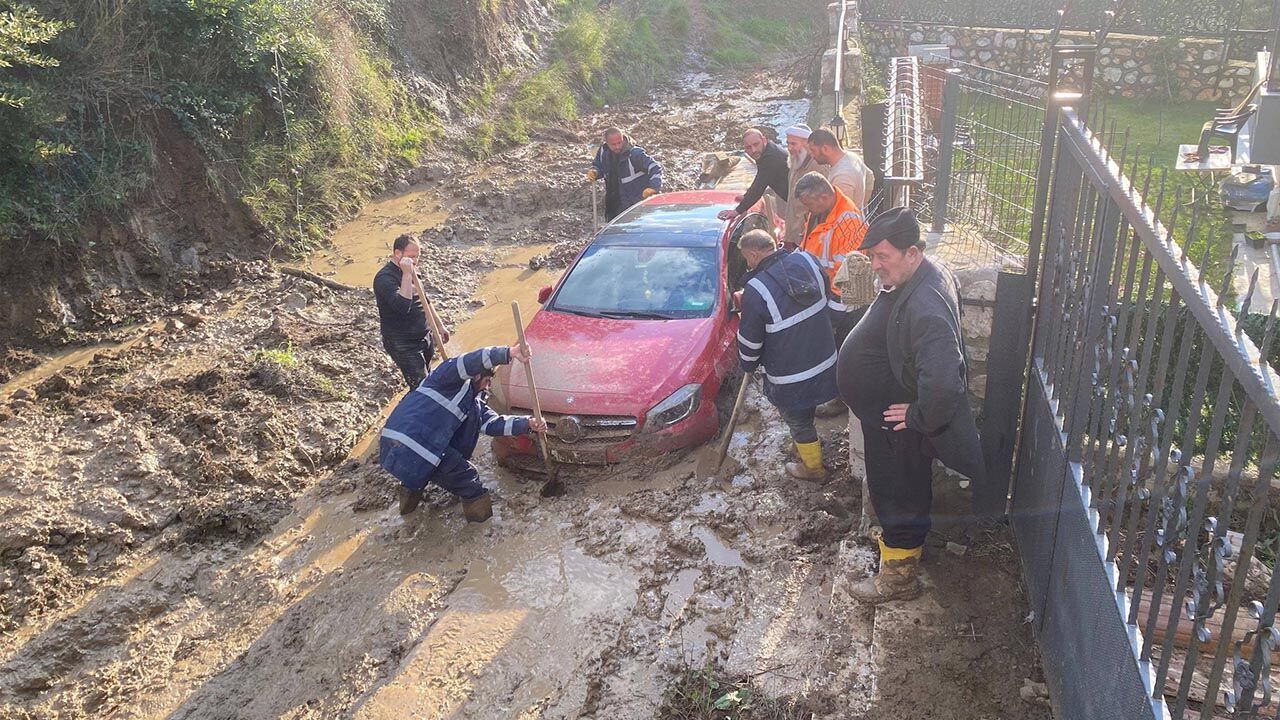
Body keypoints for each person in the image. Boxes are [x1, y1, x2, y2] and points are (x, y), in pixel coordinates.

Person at [836, 207, 985, 603]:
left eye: (882, 256)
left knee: (898, 490)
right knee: (895, 485)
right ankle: (896, 549)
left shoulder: (926, 307)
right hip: (887, 414)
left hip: (899, 420)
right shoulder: (918, 275)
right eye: (872, 256)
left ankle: (899, 579)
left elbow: (944, 381)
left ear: (913, 253)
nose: (874, 266)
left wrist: (918, 416)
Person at [380, 345, 549, 521]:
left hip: (394, 443)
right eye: (487, 381)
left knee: (415, 475)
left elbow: (493, 424)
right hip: (419, 446)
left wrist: (528, 423)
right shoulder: (447, 377)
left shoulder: (473, 405)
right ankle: (481, 527)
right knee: (469, 480)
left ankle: (407, 512)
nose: (488, 387)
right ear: (476, 376)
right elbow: (467, 361)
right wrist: (508, 353)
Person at [735, 229, 839, 481]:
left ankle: (813, 469)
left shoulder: (756, 289)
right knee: (807, 409)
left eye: (747, 258)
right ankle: (802, 445)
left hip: (791, 375)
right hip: (825, 360)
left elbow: (750, 340)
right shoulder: (807, 260)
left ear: (753, 254)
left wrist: (747, 364)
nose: (748, 264)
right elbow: (827, 298)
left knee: (798, 420)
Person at [793, 172, 869, 348]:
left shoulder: (848, 223)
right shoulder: (820, 211)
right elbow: (810, 244)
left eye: (809, 204)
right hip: (825, 295)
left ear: (824, 197)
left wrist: (829, 319)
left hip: (845, 310)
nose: (807, 210)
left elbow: (846, 280)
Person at [374, 234, 450, 391]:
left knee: (429, 379)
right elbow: (403, 306)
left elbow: (425, 301)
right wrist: (407, 275)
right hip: (404, 343)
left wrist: (439, 326)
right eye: (411, 257)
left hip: (424, 336)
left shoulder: (414, 271)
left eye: (417, 256)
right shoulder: (384, 278)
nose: (415, 261)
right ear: (397, 253)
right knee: (422, 388)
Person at [588, 127, 663, 220]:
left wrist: (653, 187)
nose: (617, 147)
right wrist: (595, 171)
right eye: (613, 144)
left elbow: (655, 168)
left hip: (636, 207)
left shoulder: (634, 154)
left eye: (619, 142)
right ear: (607, 143)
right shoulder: (604, 151)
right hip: (614, 203)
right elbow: (599, 165)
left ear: (623, 138)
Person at [717, 128, 789, 222]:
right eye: (748, 147)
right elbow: (759, 178)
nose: (753, 150)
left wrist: (737, 211)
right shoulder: (767, 151)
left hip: (800, 202)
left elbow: (759, 186)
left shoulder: (771, 157)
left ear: (764, 140)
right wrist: (746, 196)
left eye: (756, 144)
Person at [807, 127, 875, 212]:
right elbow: (870, 176)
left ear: (825, 148)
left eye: (813, 150)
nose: (811, 155)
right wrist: (861, 204)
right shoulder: (852, 157)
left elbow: (841, 212)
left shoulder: (842, 177)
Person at [783, 124, 821, 248]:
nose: (789, 148)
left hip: (807, 234)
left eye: (793, 144)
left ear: (806, 144)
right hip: (793, 232)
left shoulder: (817, 165)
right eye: (788, 143)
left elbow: (820, 203)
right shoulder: (795, 161)